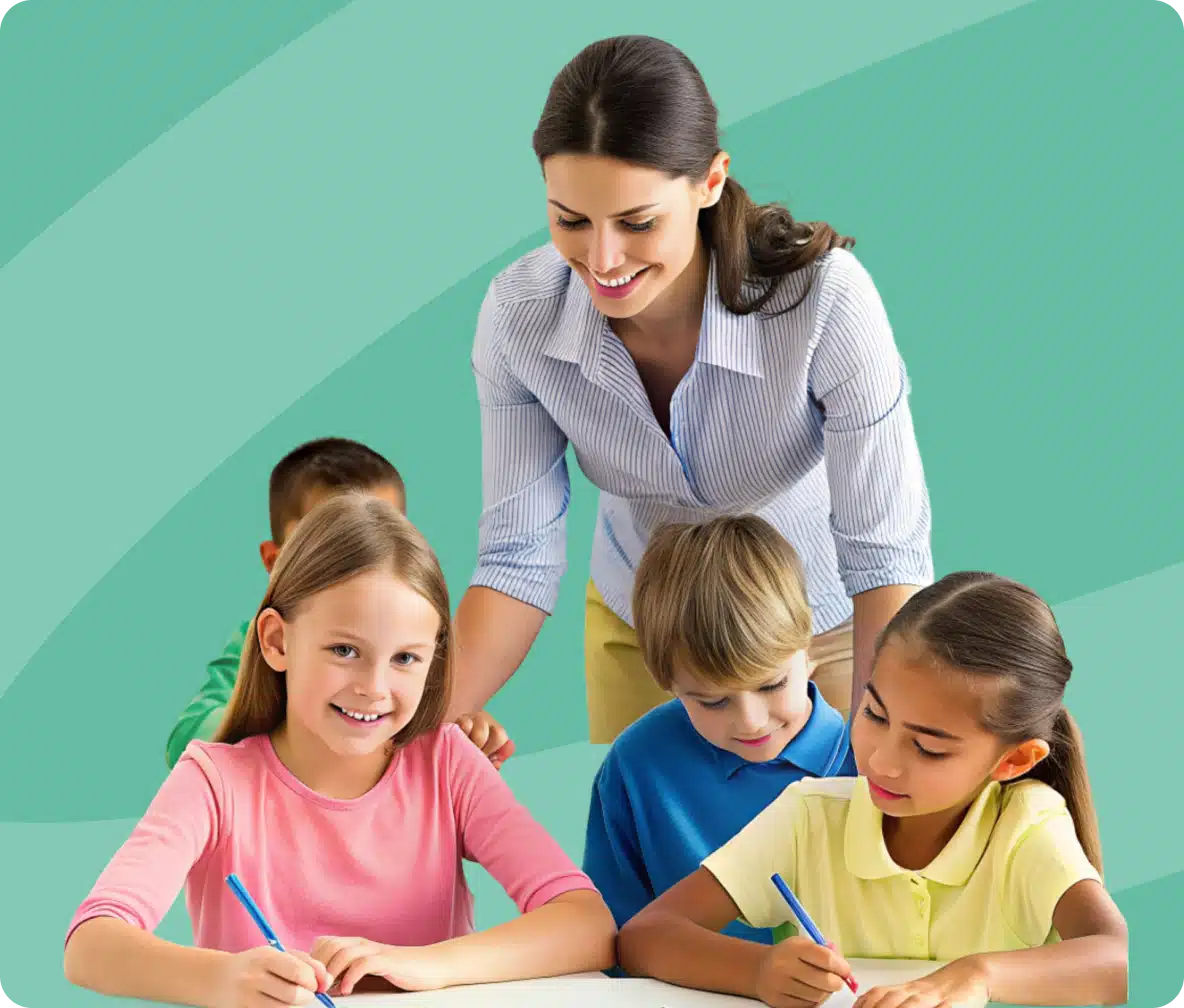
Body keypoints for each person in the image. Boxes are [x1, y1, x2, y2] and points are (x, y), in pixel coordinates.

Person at [449, 34, 932, 746]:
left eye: (638, 222)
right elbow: (518, 556)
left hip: (816, 631)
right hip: (647, 631)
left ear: (709, 181)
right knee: (652, 847)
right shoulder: (519, 317)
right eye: (570, 221)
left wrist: (880, 744)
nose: (602, 259)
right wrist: (403, 727)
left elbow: (886, 556)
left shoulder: (824, 302)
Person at [65, 494, 615, 1006]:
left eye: (405, 659)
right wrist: (224, 979)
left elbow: (587, 924)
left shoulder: (446, 762)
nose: (374, 687)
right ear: (278, 642)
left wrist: (427, 966)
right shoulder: (213, 781)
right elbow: (90, 943)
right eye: (345, 650)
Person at [616, 572, 1128, 1008]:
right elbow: (646, 936)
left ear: (1013, 759)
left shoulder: (1025, 825)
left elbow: (1117, 958)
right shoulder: (808, 817)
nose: (880, 761)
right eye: (874, 714)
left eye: (927, 747)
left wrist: (977, 975)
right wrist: (758, 969)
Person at [583, 515, 856, 951]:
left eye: (771, 686)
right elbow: (615, 939)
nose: (750, 721)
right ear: (667, 683)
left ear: (808, 651)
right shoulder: (636, 765)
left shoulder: (871, 761)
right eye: (712, 701)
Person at [165, 436, 512, 770]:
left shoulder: (420, 641)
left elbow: (426, 722)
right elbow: (188, 737)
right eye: (329, 546)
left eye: (384, 535)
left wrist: (459, 732)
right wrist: (290, 731)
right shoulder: (260, 640)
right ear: (275, 562)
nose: (365, 562)